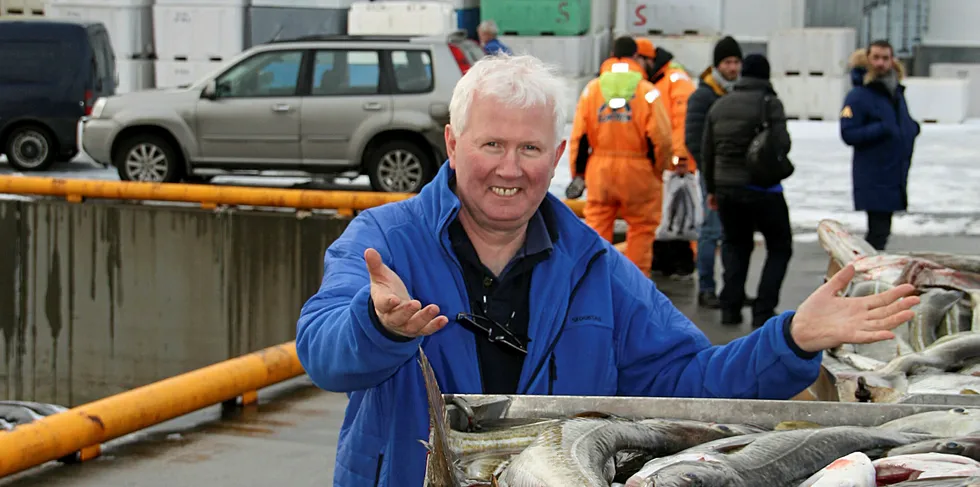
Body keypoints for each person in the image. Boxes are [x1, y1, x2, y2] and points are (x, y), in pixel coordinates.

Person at [295, 53, 920, 487]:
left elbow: (691, 384)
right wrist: (378, 327)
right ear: (454, 144)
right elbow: (323, 355)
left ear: (560, 155)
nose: (510, 169)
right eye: (491, 145)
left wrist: (791, 340)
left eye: (530, 148)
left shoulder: (598, 269)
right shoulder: (384, 240)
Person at [564, 36, 673, 276]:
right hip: (639, 172)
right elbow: (662, 138)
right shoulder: (648, 92)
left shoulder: (591, 90)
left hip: (600, 172)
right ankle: (635, 290)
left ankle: (591, 285)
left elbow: (578, 137)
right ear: (636, 57)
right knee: (641, 231)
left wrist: (579, 174)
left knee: (596, 230)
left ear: (612, 55)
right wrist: (657, 170)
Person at [701, 54, 794, 328]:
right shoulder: (769, 103)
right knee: (779, 246)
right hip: (763, 188)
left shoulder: (720, 105)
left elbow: (708, 152)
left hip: (727, 190)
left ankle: (730, 309)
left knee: (735, 245)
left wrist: (712, 189)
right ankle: (763, 310)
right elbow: (782, 143)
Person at [840, 40, 920, 251]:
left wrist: (911, 128)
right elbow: (848, 132)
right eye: (876, 57)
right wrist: (881, 129)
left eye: (885, 58)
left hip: (894, 173)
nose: (881, 63)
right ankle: (861, 275)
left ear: (893, 60)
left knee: (881, 233)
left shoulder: (895, 93)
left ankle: (867, 274)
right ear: (867, 59)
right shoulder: (858, 95)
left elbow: (900, 122)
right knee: (877, 233)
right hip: (873, 175)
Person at [685, 36, 743, 309]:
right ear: (717, 66)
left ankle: (732, 290)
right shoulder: (703, 96)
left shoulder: (739, 93)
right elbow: (693, 139)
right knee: (710, 231)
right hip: (713, 175)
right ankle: (706, 287)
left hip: (738, 175)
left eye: (736, 62)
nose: (733, 67)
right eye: (728, 62)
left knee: (733, 234)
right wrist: (710, 172)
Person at [634, 37, 699, 279]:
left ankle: (682, 263)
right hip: (662, 162)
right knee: (661, 214)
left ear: (648, 59)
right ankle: (662, 262)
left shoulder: (675, 80)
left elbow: (683, 121)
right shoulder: (654, 81)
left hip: (677, 162)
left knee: (678, 213)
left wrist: (681, 156)